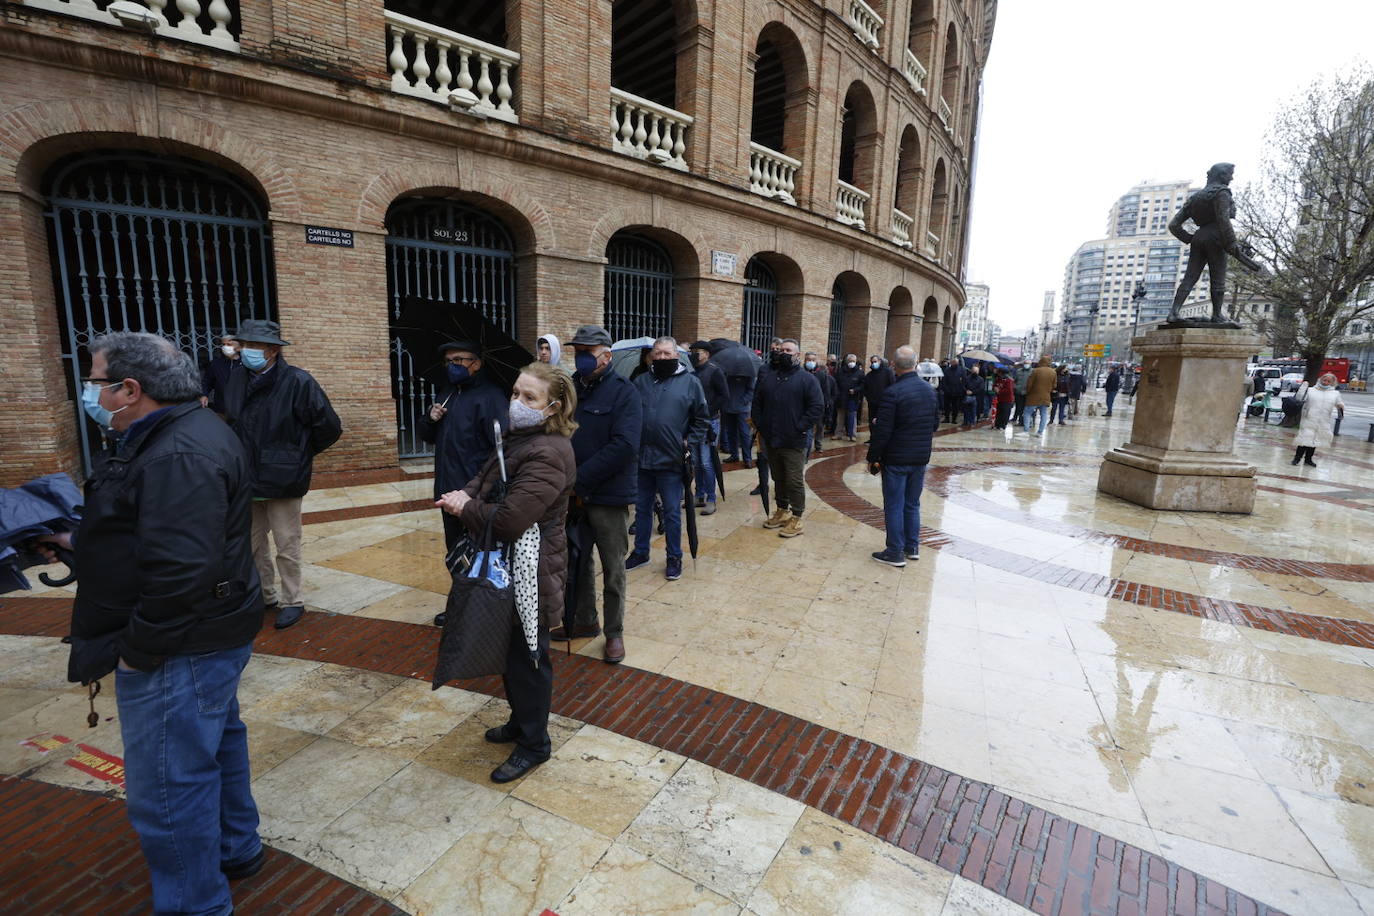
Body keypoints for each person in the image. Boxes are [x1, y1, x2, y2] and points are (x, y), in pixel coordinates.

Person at [55, 331, 266, 915]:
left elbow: (180, 572)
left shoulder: (179, 452)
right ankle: (235, 846)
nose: (91, 393)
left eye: (96, 381)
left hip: (182, 645)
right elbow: (156, 536)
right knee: (217, 742)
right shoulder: (182, 433)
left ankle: (195, 904)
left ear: (130, 389)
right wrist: (78, 541)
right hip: (210, 631)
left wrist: (137, 651)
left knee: (169, 787)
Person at [437, 361, 578, 783]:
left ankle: (535, 744)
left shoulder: (550, 452)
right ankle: (521, 723)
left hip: (531, 568)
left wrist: (467, 508)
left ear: (552, 407)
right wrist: (467, 492)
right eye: (515, 393)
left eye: (529, 397)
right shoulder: (517, 437)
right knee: (512, 652)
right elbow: (485, 478)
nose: (517, 403)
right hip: (505, 565)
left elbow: (511, 520)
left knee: (529, 658)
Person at [222, 319, 341, 630]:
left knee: (287, 545)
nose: (245, 351)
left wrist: (296, 456)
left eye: (252, 346)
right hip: (246, 478)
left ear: (272, 350)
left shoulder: (298, 382)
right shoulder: (236, 378)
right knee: (252, 544)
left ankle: (293, 600)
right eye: (243, 344)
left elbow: (329, 427)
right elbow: (230, 421)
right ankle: (264, 594)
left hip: (283, 480)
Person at [627, 337, 710, 581]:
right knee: (642, 509)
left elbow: (701, 419)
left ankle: (674, 556)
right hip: (643, 458)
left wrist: (688, 442)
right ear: (652, 356)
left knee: (672, 512)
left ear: (676, 356)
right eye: (658, 353)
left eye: (666, 353)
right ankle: (641, 552)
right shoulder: (641, 381)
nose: (662, 357)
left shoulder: (691, 383)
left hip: (672, 460)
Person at [420, 341, 510, 557]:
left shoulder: (492, 397)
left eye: (459, 360)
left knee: (479, 555)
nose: (452, 365)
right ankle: (460, 590)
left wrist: (480, 491)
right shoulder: (447, 393)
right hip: (447, 491)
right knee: (455, 553)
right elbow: (426, 436)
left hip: (474, 496)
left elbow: (502, 450)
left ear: (476, 364)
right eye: (449, 361)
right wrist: (430, 419)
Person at [867, 346, 939, 567]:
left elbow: (883, 430)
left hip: (897, 458)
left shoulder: (892, 393)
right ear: (916, 364)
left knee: (894, 505)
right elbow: (935, 424)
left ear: (894, 366)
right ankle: (912, 546)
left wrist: (873, 457)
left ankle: (895, 551)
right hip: (919, 457)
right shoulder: (929, 390)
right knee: (912, 503)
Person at [753, 338, 823, 537]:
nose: (783, 353)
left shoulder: (807, 379)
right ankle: (782, 510)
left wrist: (799, 427)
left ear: (797, 355)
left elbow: (816, 407)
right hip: (771, 438)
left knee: (793, 479)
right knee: (778, 477)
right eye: (781, 349)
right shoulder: (769, 377)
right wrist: (761, 425)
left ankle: (797, 517)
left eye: (788, 350)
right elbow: (757, 402)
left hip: (794, 440)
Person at [690, 340, 728, 515]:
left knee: (706, 462)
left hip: (710, 421)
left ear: (707, 353)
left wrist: (708, 410)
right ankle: (699, 495)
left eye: (698, 351)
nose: (695, 354)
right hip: (693, 422)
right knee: (696, 462)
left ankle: (711, 498)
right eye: (693, 351)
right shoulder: (691, 371)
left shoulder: (715, 371)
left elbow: (723, 396)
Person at [1292, 373, 1345, 467]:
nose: (1326, 382)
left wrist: (1341, 406)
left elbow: (1339, 403)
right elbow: (1299, 398)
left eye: (1329, 381)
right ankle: (1297, 458)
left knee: (1314, 440)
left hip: (1323, 420)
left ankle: (1308, 459)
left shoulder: (1335, 394)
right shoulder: (1311, 390)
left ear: (1332, 383)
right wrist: (1303, 388)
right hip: (1309, 418)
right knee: (1304, 439)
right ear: (1320, 379)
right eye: (1324, 380)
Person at [720, 345, 758, 467]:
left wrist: (744, 401)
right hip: (727, 407)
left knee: (744, 434)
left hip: (742, 408)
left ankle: (747, 458)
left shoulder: (749, 374)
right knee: (731, 432)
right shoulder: (726, 373)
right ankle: (734, 455)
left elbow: (751, 390)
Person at [804, 351, 837, 457]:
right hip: (804, 406)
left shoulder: (821, 375)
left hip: (818, 406)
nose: (811, 362)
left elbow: (826, 390)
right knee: (807, 429)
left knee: (819, 426)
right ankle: (806, 449)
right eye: (808, 360)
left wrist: (826, 403)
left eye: (813, 360)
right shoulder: (800, 372)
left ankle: (818, 445)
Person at [201, 335, 240, 414]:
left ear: (238, 346)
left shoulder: (246, 363)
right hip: (222, 409)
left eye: (229, 344)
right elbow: (207, 382)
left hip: (242, 408)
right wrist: (204, 395)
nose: (225, 347)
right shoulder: (216, 364)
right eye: (223, 344)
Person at [1023, 355, 1056, 435]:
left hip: (1033, 396)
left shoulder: (1036, 371)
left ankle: (1026, 431)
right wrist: (1048, 391)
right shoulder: (1053, 372)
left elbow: (1029, 384)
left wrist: (1027, 392)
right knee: (1044, 414)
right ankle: (1040, 432)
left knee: (1027, 413)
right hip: (1046, 397)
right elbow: (1054, 385)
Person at [835, 353, 865, 441]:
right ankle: (838, 433)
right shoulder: (840, 371)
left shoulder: (860, 373)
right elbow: (836, 383)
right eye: (850, 361)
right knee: (840, 416)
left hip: (853, 398)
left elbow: (863, 385)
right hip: (841, 397)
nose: (851, 363)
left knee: (852, 416)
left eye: (853, 361)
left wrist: (855, 390)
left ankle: (852, 435)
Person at [863, 355, 895, 431]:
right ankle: (872, 437)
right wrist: (868, 397)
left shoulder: (888, 372)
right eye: (872, 362)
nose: (874, 363)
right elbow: (865, 388)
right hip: (872, 402)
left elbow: (892, 385)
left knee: (882, 420)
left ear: (880, 361)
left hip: (884, 401)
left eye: (875, 361)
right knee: (872, 420)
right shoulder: (869, 375)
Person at [1011, 360, 1032, 425]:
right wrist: (1015, 387)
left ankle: (1025, 421)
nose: (1026, 364)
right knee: (1019, 407)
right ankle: (1020, 420)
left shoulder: (1033, 372)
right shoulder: (1019, 371)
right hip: (1018, 392)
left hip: (1028, 393)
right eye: (1025, 363)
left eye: (1028, 363)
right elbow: (1014, 380)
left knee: (1026, 408)